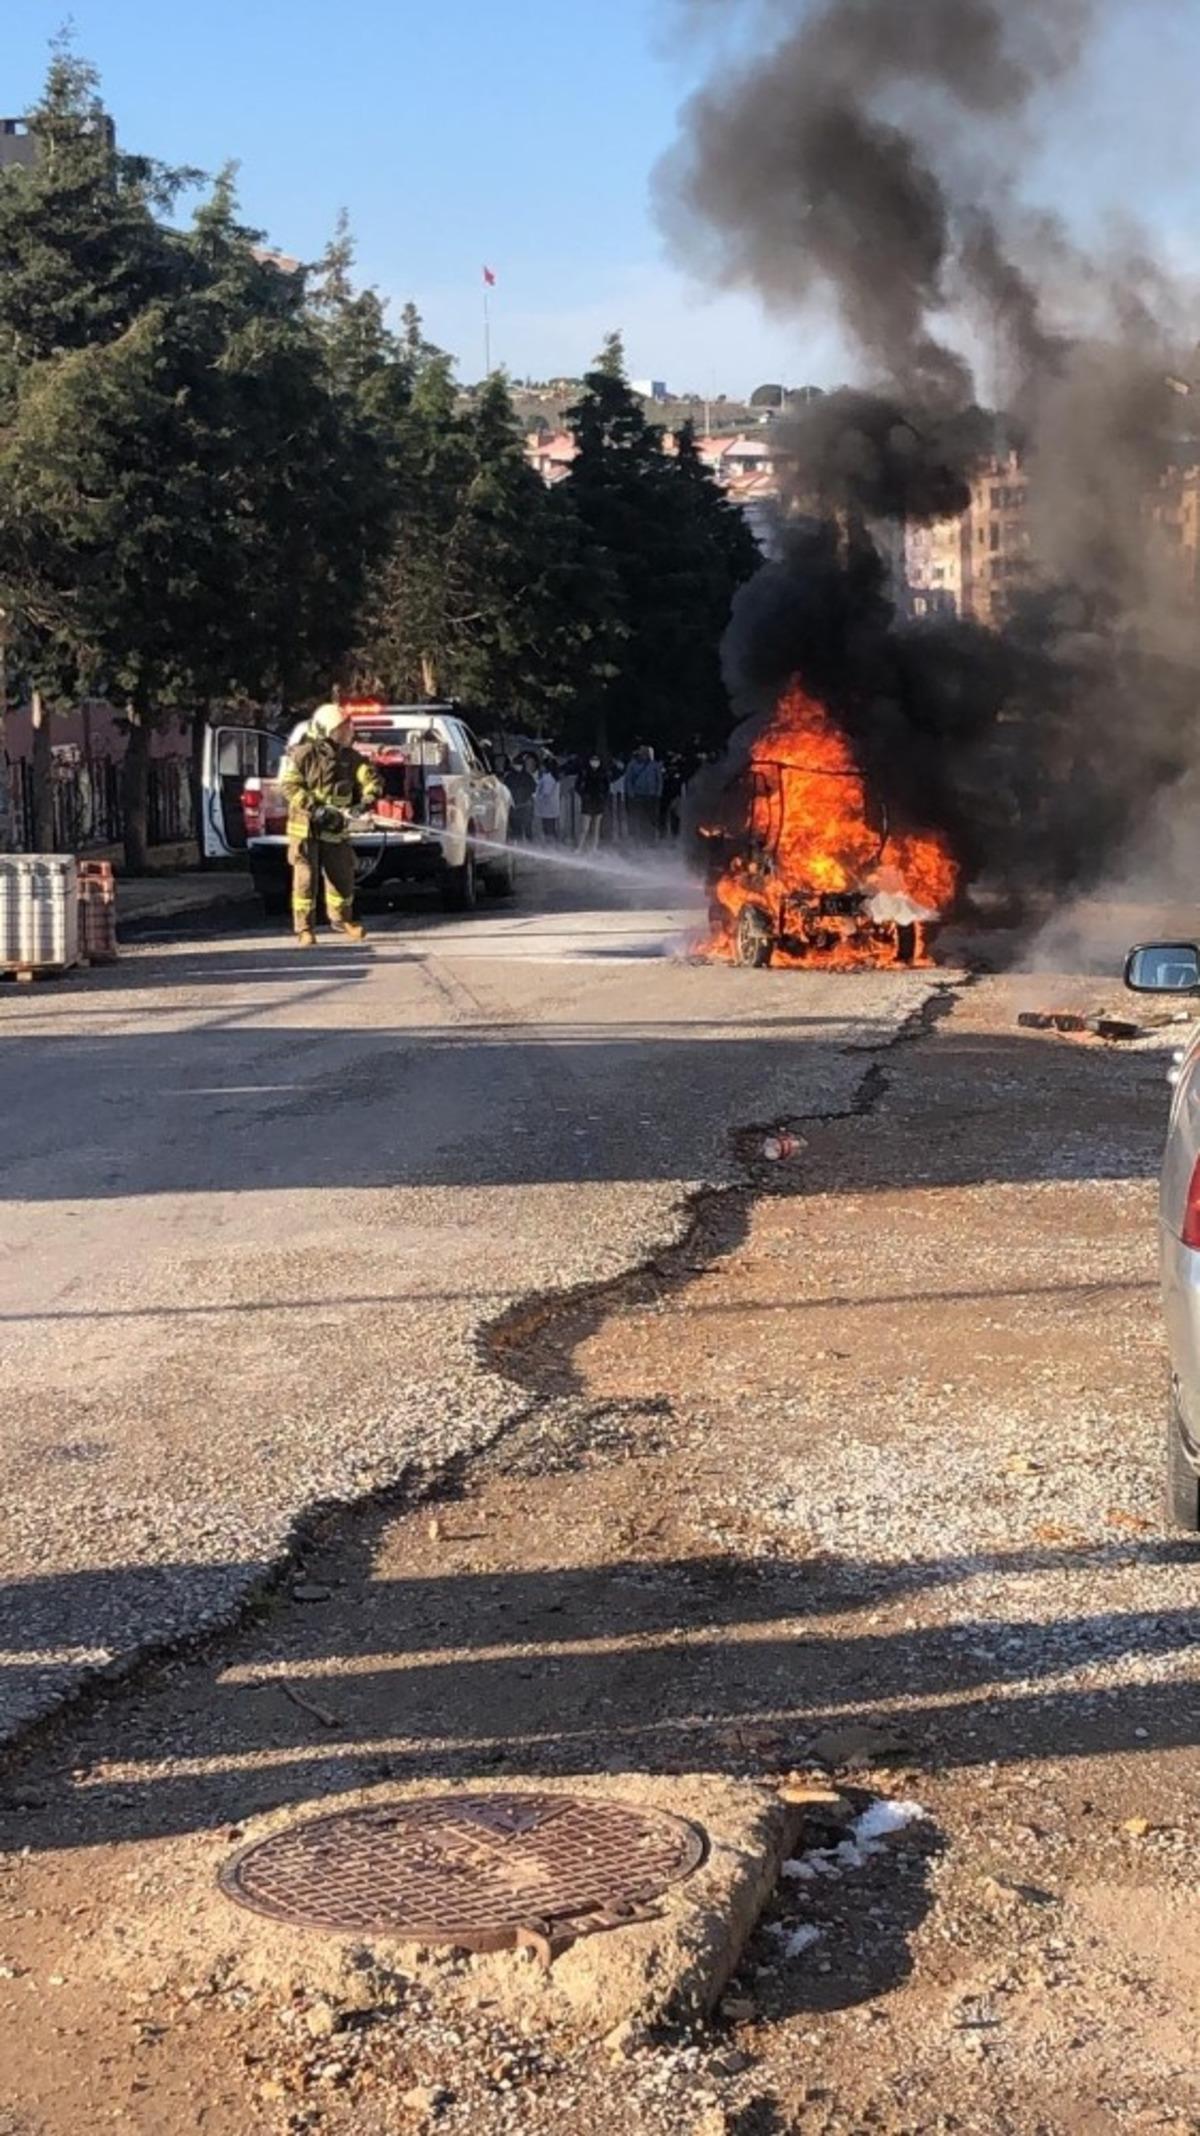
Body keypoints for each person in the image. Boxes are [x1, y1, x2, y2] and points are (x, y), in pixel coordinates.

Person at [280, 702, 381, 948]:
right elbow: (289, 785)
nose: (349, 732)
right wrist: (315, 809)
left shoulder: (352, 758)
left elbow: (372, 781)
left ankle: (343, 920)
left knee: (342, 874)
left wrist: (365, 802)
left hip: (335, 827)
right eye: (344, 728)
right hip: (306, 828)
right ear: (328, 730)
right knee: (306, 878)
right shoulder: (303, 755)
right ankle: (305, 929)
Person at [624, 743, 663, 845]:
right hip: (638, 795)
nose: (643, 755)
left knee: (652, 819)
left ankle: (651, 840)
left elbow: (659, 780)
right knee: (639, 819)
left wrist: (658, 793)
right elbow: (628, 780)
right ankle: (639, 840)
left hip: (652, 796)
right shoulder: (632, 765)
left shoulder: (654, 765)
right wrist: (631, 794)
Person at [576, 754, 609, 851]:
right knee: (584, 828)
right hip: (587, 801)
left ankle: (593, 848)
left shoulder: (603, 773)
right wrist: (583, 794)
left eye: (596, 760)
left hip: (598, 802)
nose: (595, 762)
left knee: (596, 828)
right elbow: (577, 786)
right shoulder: (584, 772)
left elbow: (607, 787)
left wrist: (603, 796)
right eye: (593, 760)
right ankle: (579, 847)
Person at [507, 753, 537, 842]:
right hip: (515, 807)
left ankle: (530, 847)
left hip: (525, 806)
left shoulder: (527, 777)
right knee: (517, 829)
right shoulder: (509, 777)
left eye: (519, 764)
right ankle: (520, 848)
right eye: (516, 764)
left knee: (527, 829)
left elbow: (533, 788)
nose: (518, 767)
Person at [535, 757, 562, 842]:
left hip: (547, 807)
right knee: (551, 827)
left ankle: (551, 846)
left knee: (548, 828)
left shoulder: (548, 778)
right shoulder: (553, 777)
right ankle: (552, 844)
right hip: (552, 807)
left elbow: (545, 793)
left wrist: (536, 797)